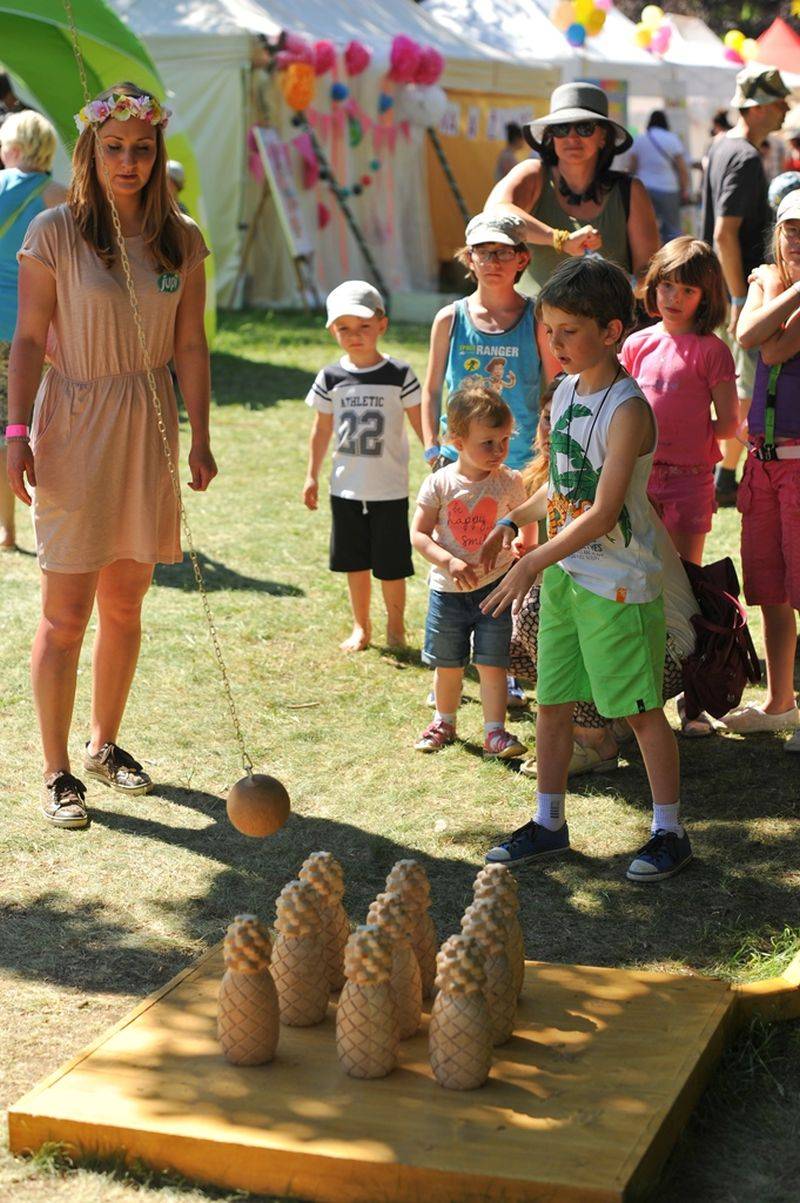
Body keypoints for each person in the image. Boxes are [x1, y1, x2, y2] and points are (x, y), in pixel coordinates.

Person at [6, 82, 216, 830]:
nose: (129, 162)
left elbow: (190, 342)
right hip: (73, 418)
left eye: (143, 148)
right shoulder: (55, 231)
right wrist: (15, 434)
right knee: (65, 614)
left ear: (158, 153)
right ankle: (57, 769)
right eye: (115, 148)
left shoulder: (181, 238)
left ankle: (103, 745)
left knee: (126, 602)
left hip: (148, 423)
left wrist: (201, 434)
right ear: (90, 152)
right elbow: (28, 339)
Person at [478, 256, 692, 883]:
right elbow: (566, 486)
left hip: (619, 587)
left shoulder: (628, 410)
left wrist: (533, 560)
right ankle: (548, 823)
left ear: (611, 330)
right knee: (552, 703)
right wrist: (513, 520)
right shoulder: (568, 390)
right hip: (569, 580)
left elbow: (602, 512)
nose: (556, 343)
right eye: (549, 330)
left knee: (640, 712)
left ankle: (670, 832)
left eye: (569, 331)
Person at [421, 211, 558, 707]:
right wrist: (433, 448)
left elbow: (553, 385)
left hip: (518, 468)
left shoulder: (536, 318)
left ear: (522, 259)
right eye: (483, 252)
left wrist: (546, 451)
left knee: (516, 564)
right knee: (455, 558)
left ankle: (509, 663)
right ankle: (449, 669)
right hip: (459, 466)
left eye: (503, 252)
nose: (493, 261)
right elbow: (431, 388)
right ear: (469, 258)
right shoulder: (450, 318)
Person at [302, 280, 423, 653]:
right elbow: (322, 430)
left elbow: (421, 424)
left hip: (389, 489)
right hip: (346, 489)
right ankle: (361, 626)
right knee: (355, 563)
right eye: (344, 328)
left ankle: (396, 627)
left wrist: (439, 460)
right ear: (332, 330)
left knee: (392, 565)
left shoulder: (399, 374)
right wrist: (311, 475)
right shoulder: (331, 378)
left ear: (382, 325)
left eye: (364, 326)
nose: (355, 336)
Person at [721, 190, 800, 748]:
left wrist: (777, 292)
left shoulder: (769, 283)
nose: (798, 239)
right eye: (791, 229)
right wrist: (787, 288)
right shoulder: (767, 278)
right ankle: (780, 702)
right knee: (769, 590)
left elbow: (771, 351)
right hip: (762, 462)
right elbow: (746, 334)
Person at [411, 382, 527, 760]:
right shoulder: (440, 483)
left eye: (504, 440)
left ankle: (495, 732)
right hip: (448, 593)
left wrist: (523, 544)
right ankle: (443, 722)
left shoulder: (509, 482)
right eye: (488, 443)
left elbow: (525, 520)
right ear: (458, 442)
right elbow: (418, 534)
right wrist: (448, 560)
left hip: (495, 590)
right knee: (448, 665)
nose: (499, 451)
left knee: (493, 665)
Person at [701, 65, 791, 507]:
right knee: (748, 385)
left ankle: (722, 474)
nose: (786, 109)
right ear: (755, 108)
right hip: (739, 290)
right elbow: (724, 233)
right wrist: (740, 297)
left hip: (723, 286)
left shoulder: (721, 145)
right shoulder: (745, 157)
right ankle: (725, 477)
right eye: (778, 102)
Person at [620, 237, 738, 566]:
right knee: (637, 570)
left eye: (689, 290)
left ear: (705, 297)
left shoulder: (712, 351)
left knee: (686, 574)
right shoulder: (636, 344)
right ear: (654, 285)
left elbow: (729, 424)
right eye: (668, 285)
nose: (675, 297)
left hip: (689, 482)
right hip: (637, 475)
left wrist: (689, 432)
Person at [487, 82, 659, 297]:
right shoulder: (533, 174)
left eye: (584, 127)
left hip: (606, 318)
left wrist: (625, 287)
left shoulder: (630, 191)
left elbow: (649, 272)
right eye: (561, 128)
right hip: (533, 317)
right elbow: (494, 215)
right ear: (551, 136)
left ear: (603, 137)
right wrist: (561, 240)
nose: (572, 137)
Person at [0, 110, 66, 551]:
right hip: (35, 330)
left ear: (15, 148)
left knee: (5, 431)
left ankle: (6, 527)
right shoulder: (60, 196)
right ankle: (51, 520)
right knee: (35, 425)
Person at [628, 111, 690, 244]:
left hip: (644, 189)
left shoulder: (640, 139)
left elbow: (632, 168)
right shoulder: (672, 139)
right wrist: (684, 188)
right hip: (668, 188)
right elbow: (682, 168)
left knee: (645, 227)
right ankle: (674, 255)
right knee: (672, 228)